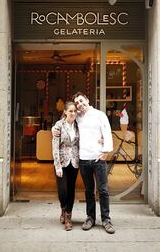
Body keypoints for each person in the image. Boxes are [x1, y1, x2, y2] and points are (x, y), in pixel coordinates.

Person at [52, 91, 115, 234]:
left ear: (87, 99)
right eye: (77, 103)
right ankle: (90, 218)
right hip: (84, 159)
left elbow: (107, 132)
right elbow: (64, 121)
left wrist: (106, 151)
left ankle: (106, 219)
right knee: (88, 191)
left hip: (99, 158)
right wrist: (54, 129)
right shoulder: (77, 116)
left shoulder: (100, 115)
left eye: (81, 101)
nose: (80, 104)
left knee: (103, 190)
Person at [52, 101, 79, 231]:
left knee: (71, 189)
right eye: (70, 111)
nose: (73, 113)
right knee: (63, 190)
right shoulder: (58, 125)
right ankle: (63, 207)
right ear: (65, 112)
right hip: (61, 162)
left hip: (74, 162)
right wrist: (57, 165)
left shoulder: (79, 125)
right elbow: (55, 146)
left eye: (75, 111)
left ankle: (68, 216)